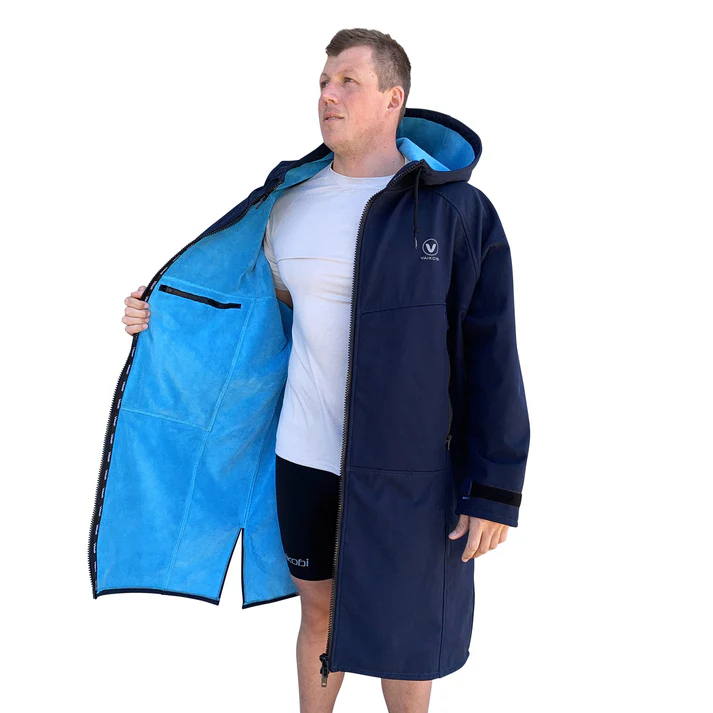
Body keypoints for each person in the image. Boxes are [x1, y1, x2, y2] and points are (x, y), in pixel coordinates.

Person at [119, 28, 528, 713]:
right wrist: (161, 318)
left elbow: (492, 352)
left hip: (412, 469)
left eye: (347, 82)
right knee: (320, 613)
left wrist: (495, 487)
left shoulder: (457, 212)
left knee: (406, 631)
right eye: (322, 83)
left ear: (393, 99)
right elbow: (254, 317)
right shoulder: (289, 207)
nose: (328, 96)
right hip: (305, 456)